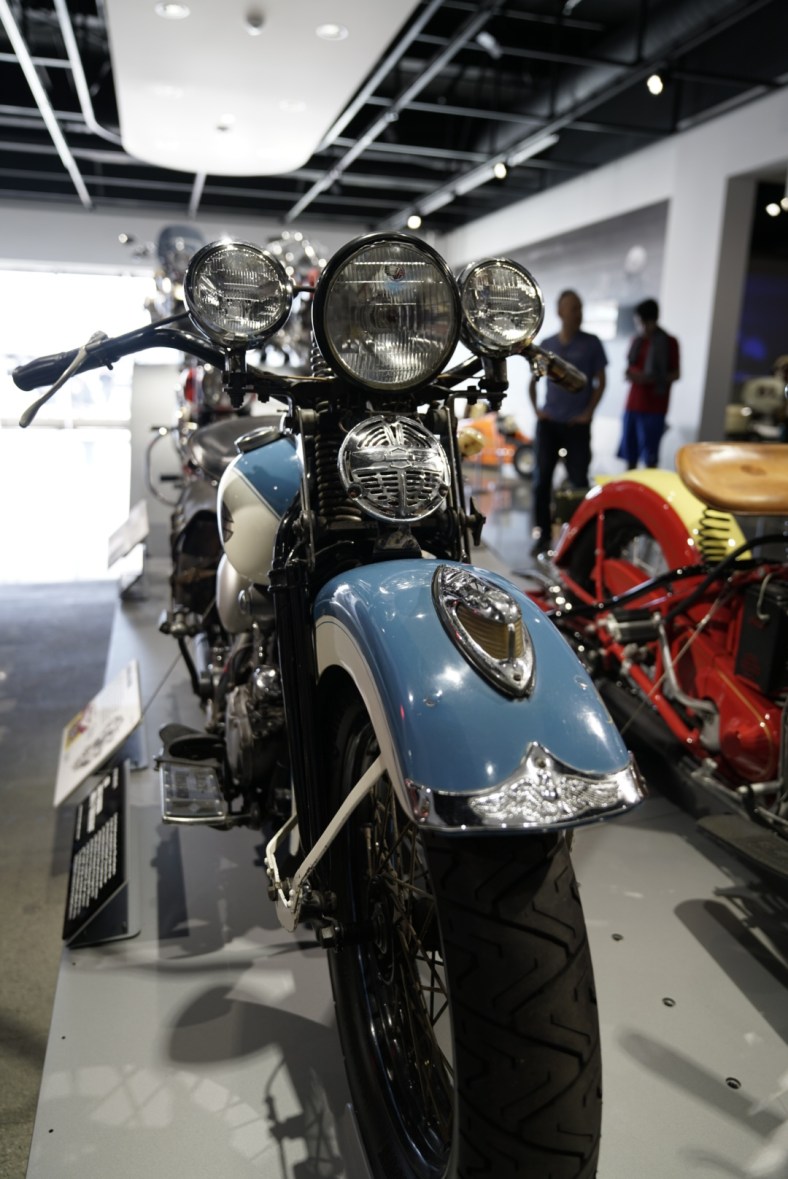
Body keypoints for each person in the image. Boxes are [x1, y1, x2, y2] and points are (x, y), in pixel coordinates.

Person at [528, 289, 607, 556]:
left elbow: (600, 382)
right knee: (542, 482)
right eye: (574, 308)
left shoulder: (592, 343)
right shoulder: (547, 344)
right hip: (550, 424)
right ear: (561, 312)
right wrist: (537, 410)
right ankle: (542, 537)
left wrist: (588, 412)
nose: (578, 313)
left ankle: (577, 543)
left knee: (578, 483)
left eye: (580, 308)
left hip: (577, 426)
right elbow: (533, 381)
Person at [618, 298, 680, 469]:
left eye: (645, 323)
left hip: (654, 407)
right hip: (633, 405)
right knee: (629, 455)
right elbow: (630, 367)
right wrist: (633, 375)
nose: (642, 327)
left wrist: (651, 378)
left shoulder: (669, 342)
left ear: (654, 320)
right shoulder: (636, 341)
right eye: (639, 323)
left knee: (650, 458)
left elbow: (676, 374)